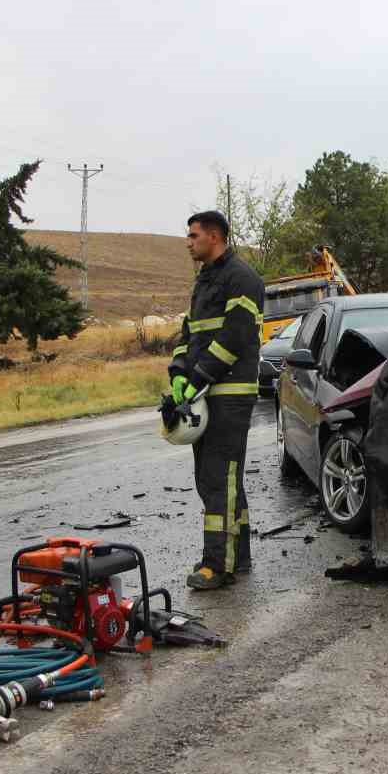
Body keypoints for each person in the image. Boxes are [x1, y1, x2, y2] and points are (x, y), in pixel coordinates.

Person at [165, 211, 264, 590]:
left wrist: (198, 379)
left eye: (193, 235)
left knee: (217, 478)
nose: (188, 242)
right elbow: (190, 332)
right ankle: (236, 557)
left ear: (215, 236)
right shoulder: (205, 280)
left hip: (230, 393)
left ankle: (216, 565)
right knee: (220, 481)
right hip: (206, 392)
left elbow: (235, 338)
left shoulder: (242, 278)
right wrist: (177, 372)